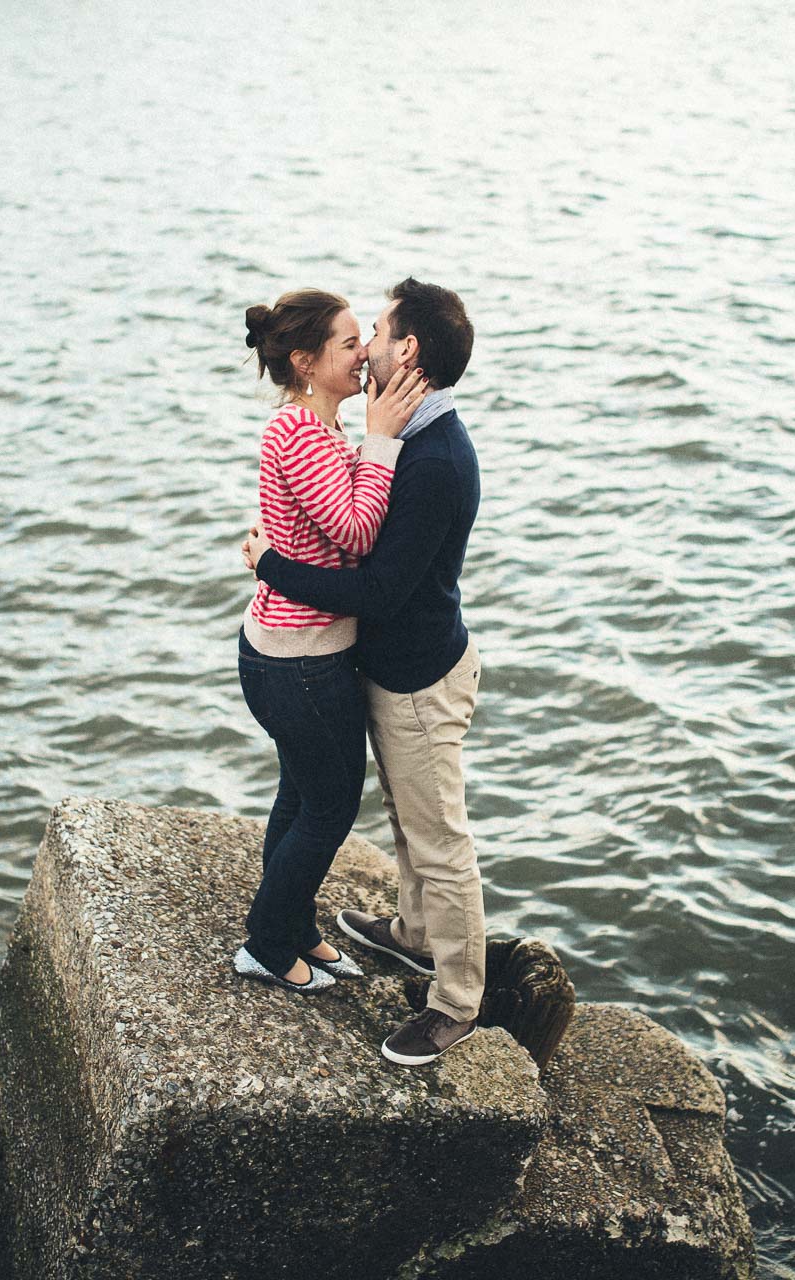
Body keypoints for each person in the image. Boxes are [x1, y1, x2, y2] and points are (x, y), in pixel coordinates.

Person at [243, 278, 482, 1065]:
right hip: (369, 664)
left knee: (436, 838)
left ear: (405, 350)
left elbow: (373, 579)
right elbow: (340, 514)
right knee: (401, 821)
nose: (368, 345)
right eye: (356, 336)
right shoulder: (397, 432)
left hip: (417, 679)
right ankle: (411, 935)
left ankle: (455, 1001)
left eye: (374, 332)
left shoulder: (434, 458)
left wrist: (272, 563)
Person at [234, 289, 429, 993]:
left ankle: (291, 924)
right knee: (328, 806)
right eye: (349, 344)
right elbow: (353, 532)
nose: (364, 354)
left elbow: (336, 529)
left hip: (300, 654)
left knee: (300, 794)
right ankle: (264, 941)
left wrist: (366, 437)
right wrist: (381, 438)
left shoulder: (318, 430)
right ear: (305, 362)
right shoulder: (298, 433)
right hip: (299, 662)